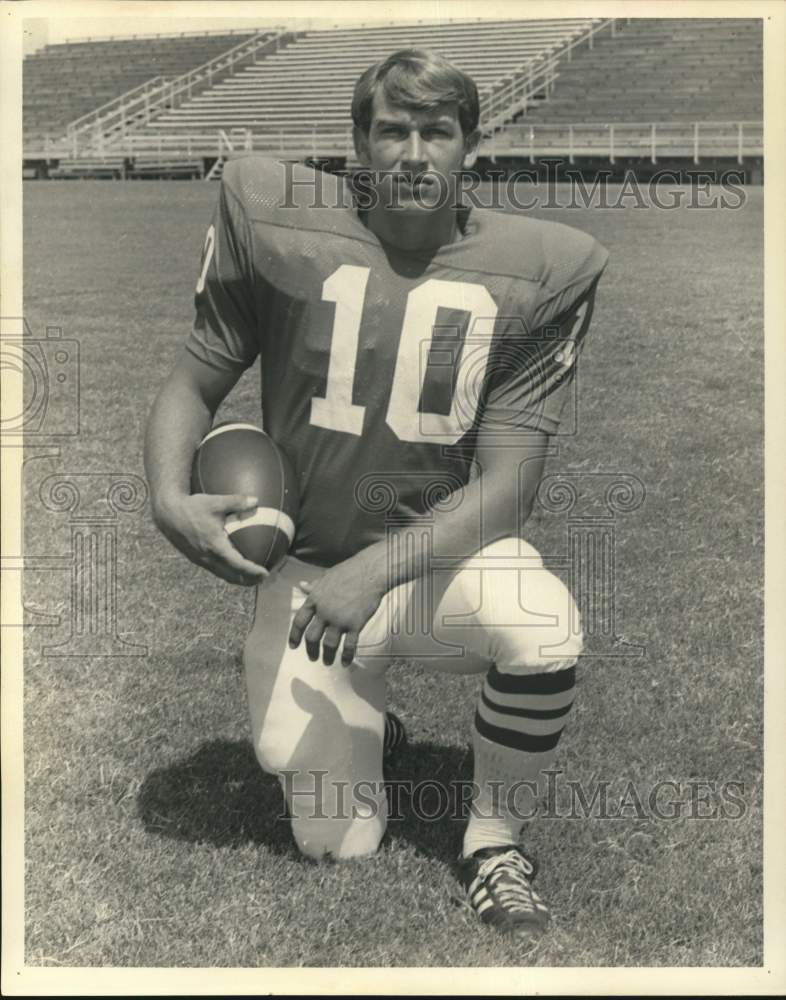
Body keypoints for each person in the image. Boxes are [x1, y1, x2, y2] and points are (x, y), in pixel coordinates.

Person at [144, 48, 608, 935]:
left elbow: (510, 490)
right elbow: (191, 384)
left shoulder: (541, 269)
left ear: (471, 145)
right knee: (334, 841)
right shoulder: (281, 226)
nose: (412, 153)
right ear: (357, 146)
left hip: (426, 563)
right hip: (309, 577)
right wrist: (169, 495)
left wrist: (375, 575)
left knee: (543, 627)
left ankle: (494, 844)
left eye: (436, 132)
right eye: (391, 131)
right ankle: (372, 728)